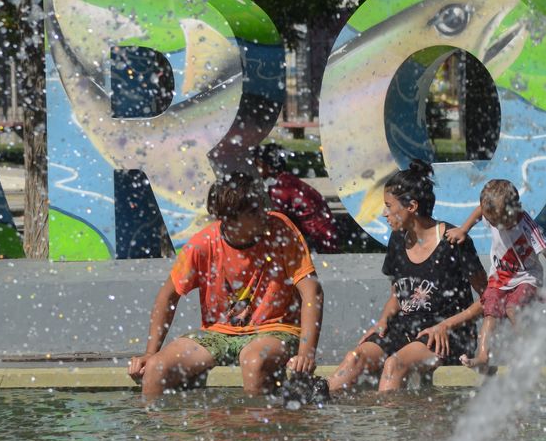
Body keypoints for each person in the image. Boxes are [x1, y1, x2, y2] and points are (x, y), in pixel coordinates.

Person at [128, 172, 323, 397]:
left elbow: (312, 292)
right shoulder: (202, 245)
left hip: (276, 330)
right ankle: (157, 429)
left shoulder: (281, 229)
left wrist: (306, 353)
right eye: (253, 212)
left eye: (262, 206)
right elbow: (167, 297)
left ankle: (258, 430)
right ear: (229, 219)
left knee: (253, 361)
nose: (263, 215)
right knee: (156, 369)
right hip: (218, 334)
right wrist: (150, 353)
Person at [327, 160, 488, 393]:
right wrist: (383, 320)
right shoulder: (397, 240)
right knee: (356, 357)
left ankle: (396, 426)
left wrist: (445, 325)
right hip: (405, 329)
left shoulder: (454, 242)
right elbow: (398, 294)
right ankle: (320, 402)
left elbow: (488, 297)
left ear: (411, 206)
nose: (384, 213)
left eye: (388, 206)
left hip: (447, 335)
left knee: (394, 364)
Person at [444, 179, 546, 370]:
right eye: (493, 222)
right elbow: (480, 210)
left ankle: (530, 352)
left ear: (515, 210)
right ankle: (483, 355)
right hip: (500, 277)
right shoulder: (493, 213)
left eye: (502, 222)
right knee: (490, 311)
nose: (498, 226)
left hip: (527, 276)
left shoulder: (527, 226)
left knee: (512, 308)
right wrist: (463, 230)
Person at [252, 143, 340, 253]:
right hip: (325, 238)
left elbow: (273, 221)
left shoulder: (280, 189)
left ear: (267, 166)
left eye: (256, 164)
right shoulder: (287, 181)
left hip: (317, 244)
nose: (253, 169)